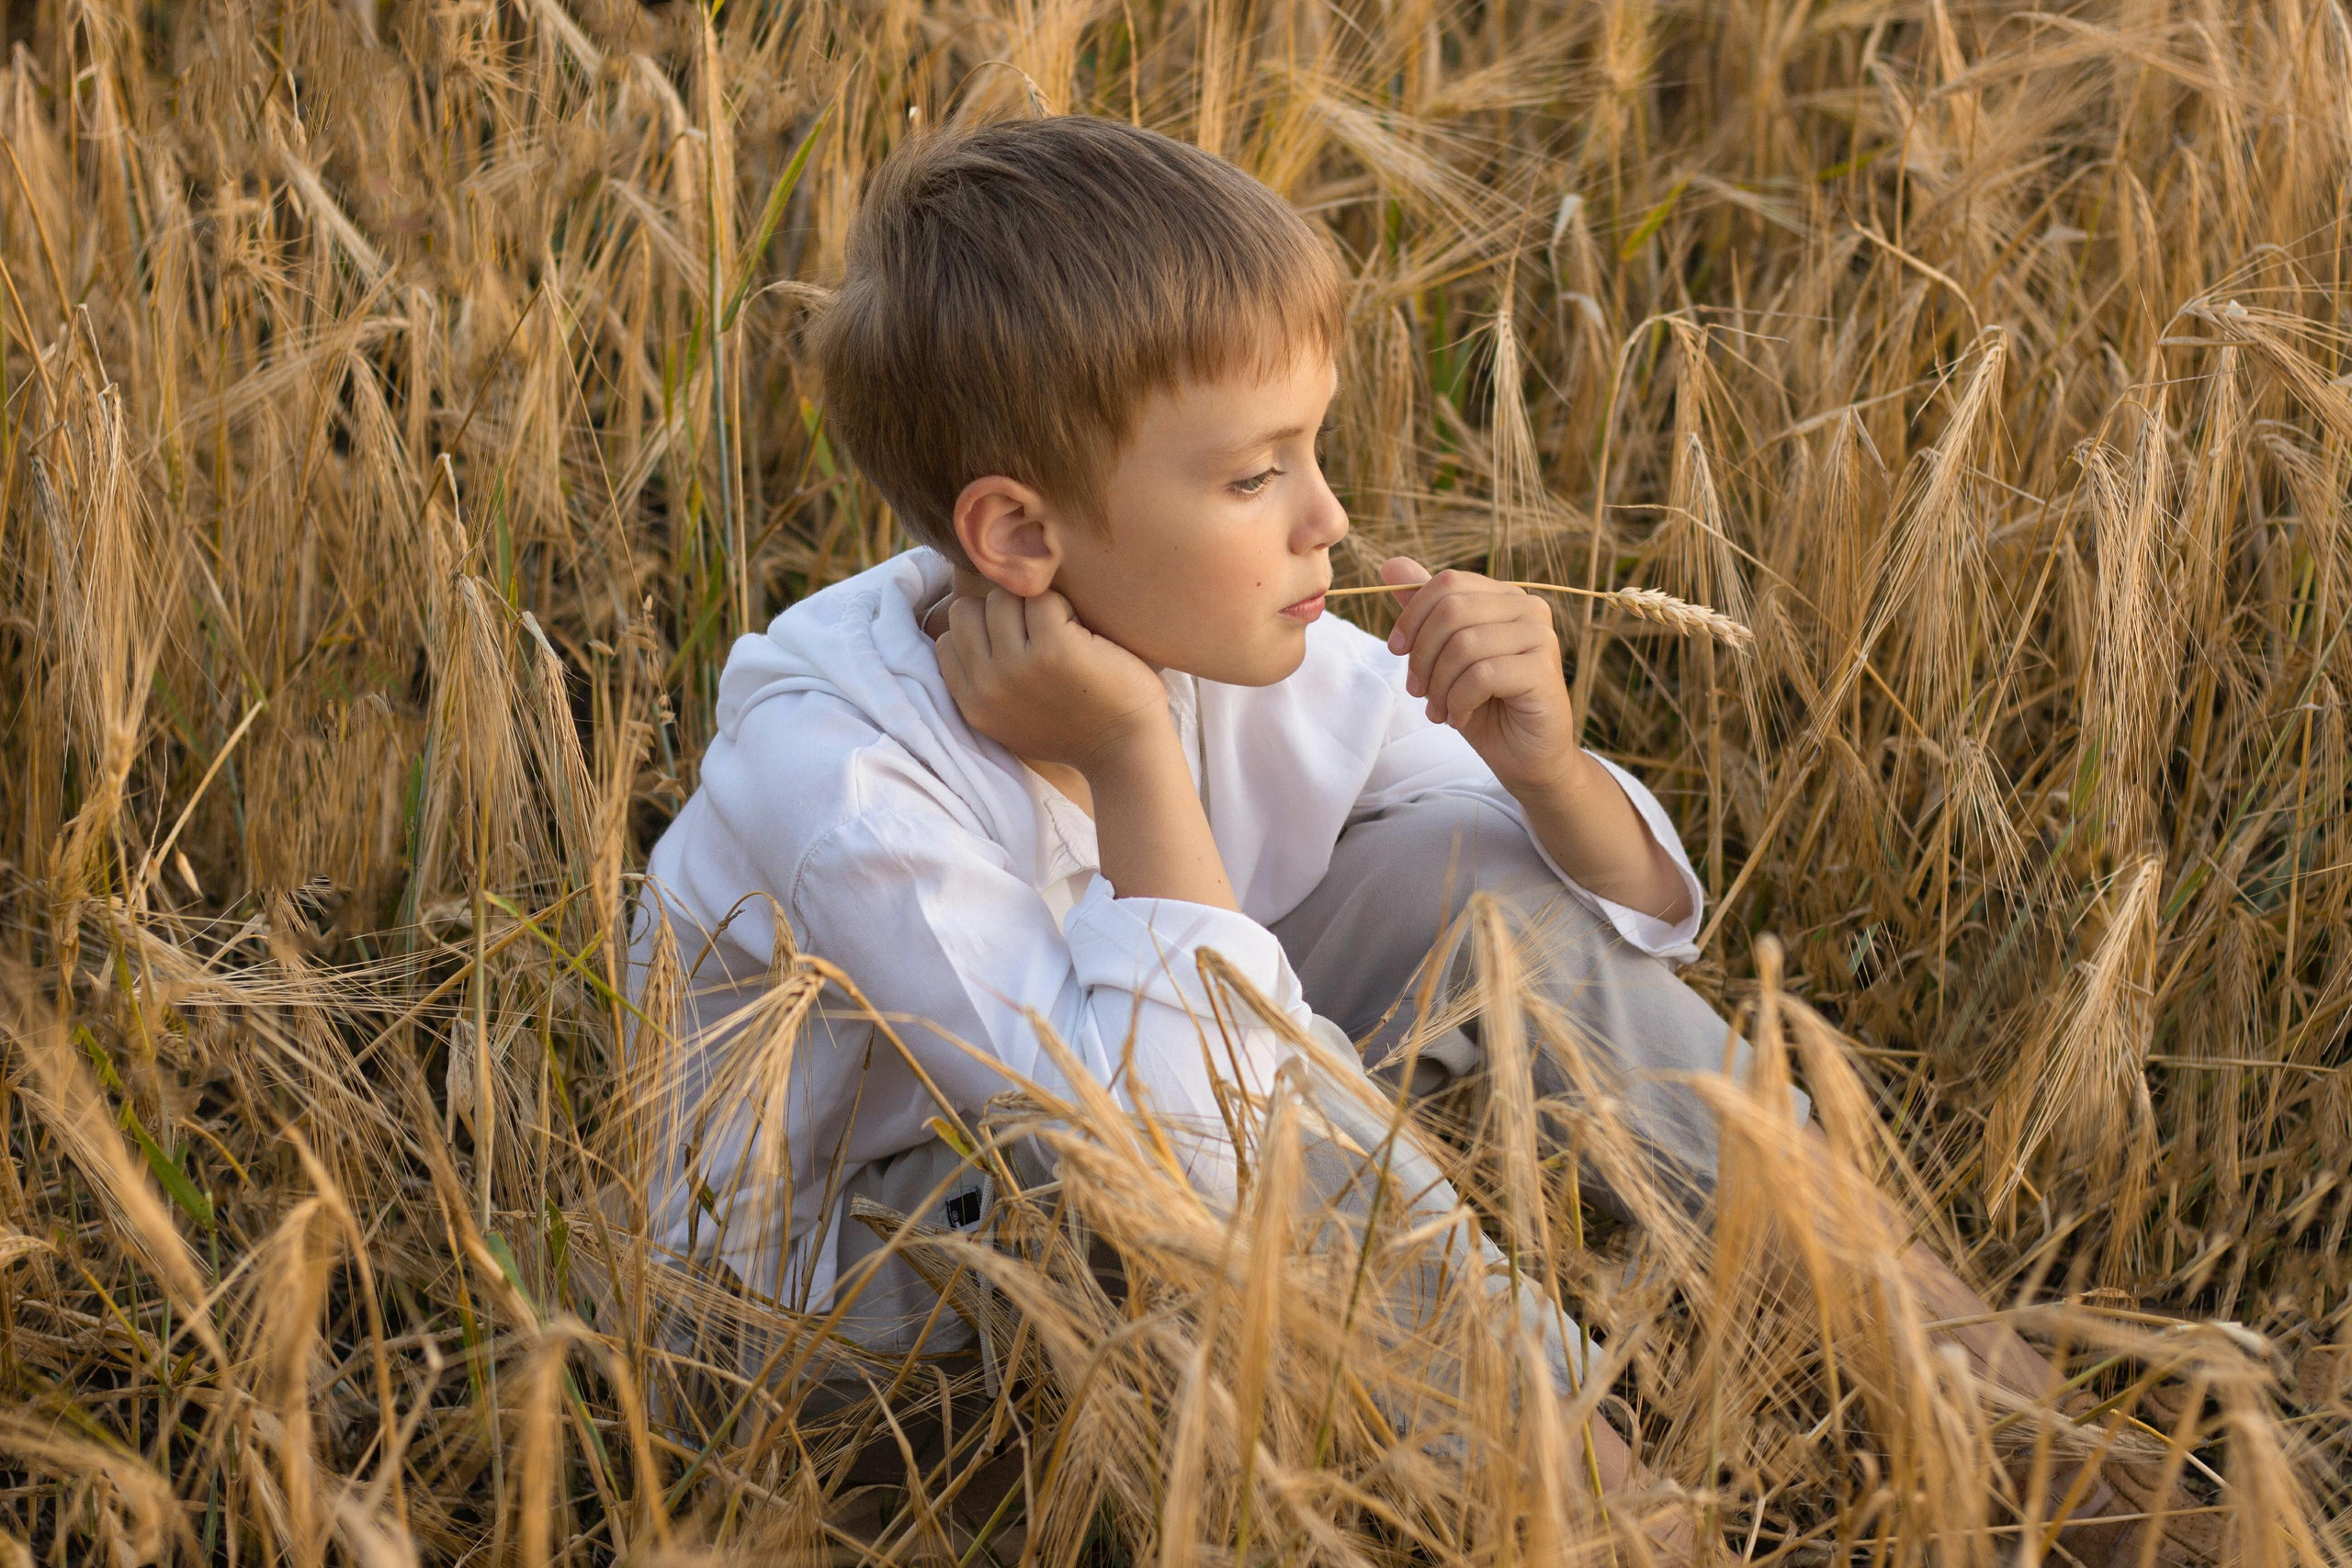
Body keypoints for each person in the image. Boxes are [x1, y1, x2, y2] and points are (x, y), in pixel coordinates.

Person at [624, 114, 2166, 1562]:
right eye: (1256, 475)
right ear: (1020, 536)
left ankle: (2018, 1431)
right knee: (1257, 1110)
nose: (1328, 520)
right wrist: (1130, 757)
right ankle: (1619, 1527)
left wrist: (1545, 768)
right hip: (847, 1365)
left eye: (1313, 448)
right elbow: (1180, 1159)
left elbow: (1621, 916)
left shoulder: (1210, 628)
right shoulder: (845, 777)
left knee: (1478, 890)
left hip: (1126, 1186)